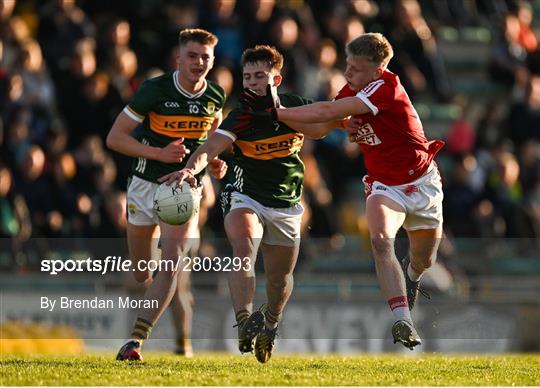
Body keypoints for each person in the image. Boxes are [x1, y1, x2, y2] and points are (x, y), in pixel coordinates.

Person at [239, 33, 444, 350]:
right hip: (384, 185)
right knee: (380, 240)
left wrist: (276, 111)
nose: (348, 74)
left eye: (356, 69)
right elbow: (321, 127)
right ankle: (403, 319)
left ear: (376, 71)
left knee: (424, 258)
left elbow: (323, 113)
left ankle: (414, 276)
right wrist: (283, 117)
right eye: (347, 66)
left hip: (422, 182)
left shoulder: (386, 87)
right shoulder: (354, 89)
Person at [159, 45, 340, 363]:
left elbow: (322, 127)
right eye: (247, 77)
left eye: (260, 76)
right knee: (244, 245)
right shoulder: (241, 116)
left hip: (286, 202)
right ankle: (244, 321)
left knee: (279, 278)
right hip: (245, 195)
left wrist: (331, 119)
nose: (252, 83)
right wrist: (191, 167)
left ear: (277, 79)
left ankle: (269, 324)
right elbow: (210, 146)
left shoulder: (295, 107)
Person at [107, 28, 227, 361]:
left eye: (205, 57)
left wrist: (214, 163)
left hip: (185, 188)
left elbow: (211, 141)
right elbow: (114, 139)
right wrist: (160, 155)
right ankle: (153, 295)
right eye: (192, 55)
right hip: (145, 186)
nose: (199, 62)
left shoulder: (215, 96)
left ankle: (135, 342)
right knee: (143, 271)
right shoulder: (154, 90)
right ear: (178, 58)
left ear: (213, 61)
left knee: (172, 262)